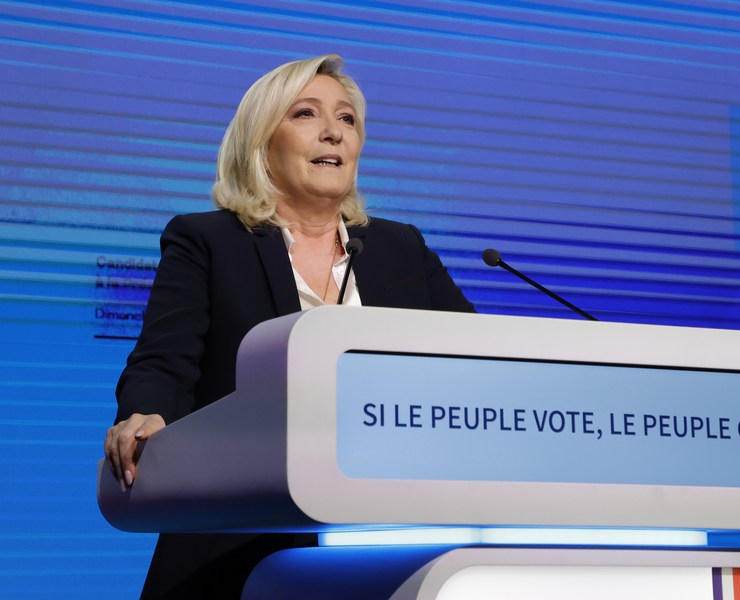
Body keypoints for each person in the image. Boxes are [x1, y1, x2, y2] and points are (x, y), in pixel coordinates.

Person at [104, 54, 474, 599]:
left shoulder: (401, 248)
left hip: (390, 544)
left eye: (347, 119)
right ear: (262, 142)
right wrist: (145, 414)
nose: (333, 133)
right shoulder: (208, 242)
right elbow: (164, 360)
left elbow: (478, 358)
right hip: (238, 542)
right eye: (307, 114)